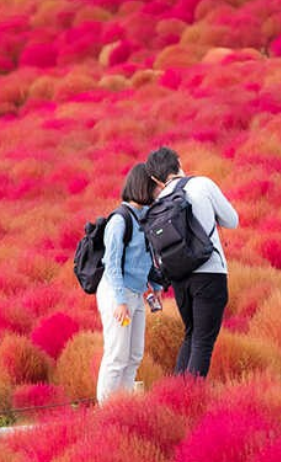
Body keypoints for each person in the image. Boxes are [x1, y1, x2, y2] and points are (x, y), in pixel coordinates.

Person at [145, 145, 239, 378]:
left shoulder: (159, 202)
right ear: (179, 163)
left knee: (191, 335)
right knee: (203, 342)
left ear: (156, 178)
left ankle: (179, 396)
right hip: (209, 273)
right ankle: (191, 399)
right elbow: (232, 220)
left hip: (179, 278)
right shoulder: (201, 184)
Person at [96, 163, 162, 404]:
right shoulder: (120, 221)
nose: (157, 193)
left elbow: (146, 258)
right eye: (155, 187)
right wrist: (120, 302)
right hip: (118, 294)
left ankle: (123, 405)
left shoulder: (144, 219)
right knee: (116, 356)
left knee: (134, 355)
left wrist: (155, 288)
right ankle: (106, 410)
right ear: (144, 187)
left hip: (135, 294)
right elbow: (112, 265)